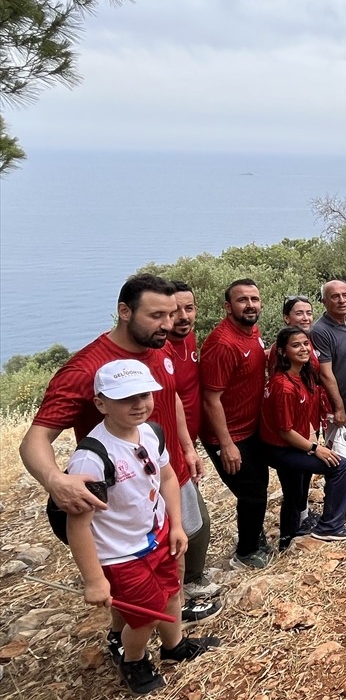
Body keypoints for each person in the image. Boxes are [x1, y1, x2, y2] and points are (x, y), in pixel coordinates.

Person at [22, 274, 212, 655]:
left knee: (175, 551)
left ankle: (166, 620)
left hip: (163, 474)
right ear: (125, 312)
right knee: (129, 576)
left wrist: (187, 446)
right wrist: (55, 480)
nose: (168, 324)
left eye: (172, 313)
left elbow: (170, 397)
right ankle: (126, 639)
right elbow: (34, 440)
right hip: (118, 493)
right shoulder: (86, 369)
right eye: (157, 315)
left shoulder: (157, 348)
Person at [65, 359, 219, 695]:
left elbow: (165, 477)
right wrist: (94, 580)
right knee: (144, 615)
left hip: (158, 534)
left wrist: (176, 525)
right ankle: (133, 660)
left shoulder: (150, 432)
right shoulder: (92, 457)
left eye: (144, 395)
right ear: (101, 403)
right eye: (125, 398)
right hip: (121, 553)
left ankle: (174, 645)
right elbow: (78, 525)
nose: (138, 404)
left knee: (172, 592)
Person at [261, 326, 346, 542]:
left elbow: (303, 417)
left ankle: (289, 535)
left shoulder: (303, 376)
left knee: (296, 489)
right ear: (283, 352)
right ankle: (331, 526)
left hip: (296, 444)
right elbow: (285, 432)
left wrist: (313, 436)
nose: (303, 348)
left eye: (305, 344)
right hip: (281, 448)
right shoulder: (283, 386)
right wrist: (315, 449)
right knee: (339, 466)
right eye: (296, 345)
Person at [200, 278, 270, 569]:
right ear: (228, 306)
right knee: (251, 492)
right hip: (228, 434)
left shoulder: (252, 331)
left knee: (258, 486)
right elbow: (210, 399)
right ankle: (245, 552)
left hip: (251, 426)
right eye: (242, 300)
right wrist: (226, 444)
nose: (250, 305)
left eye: (254, 299)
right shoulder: (223, 344)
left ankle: (254, 534)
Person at [165, 280, 221, 621]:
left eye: (188, 308)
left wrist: (191, 445)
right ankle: (182, 590)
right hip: (165, 454)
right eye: (173, 311)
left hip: (188, 446)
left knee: (190, 519)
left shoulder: (189, 341)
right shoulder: (158, 349)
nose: (182, 317)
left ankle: (186, 581)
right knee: (191, 523)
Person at [311, 280, 346, 496]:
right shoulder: (320, 330)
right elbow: (326, 373)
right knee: (338, 448)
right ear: (325, 301)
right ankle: (338, 490)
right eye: (335, 296)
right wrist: (338, 408)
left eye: (345, 295)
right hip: (339, 404)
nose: (342, 300)